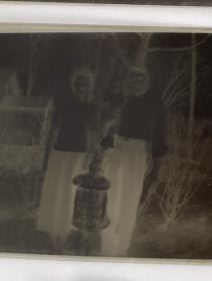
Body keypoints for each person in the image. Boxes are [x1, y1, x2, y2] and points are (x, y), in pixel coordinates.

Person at [101, 66, 166, 257]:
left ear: (147, 80)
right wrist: (104, 146)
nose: (136, 80)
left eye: (141, 77)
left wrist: (156, 162)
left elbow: (159, 135)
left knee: (129, 199)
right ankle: (106, 245)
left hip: (137, 153)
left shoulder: (156, 104)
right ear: (128, 80)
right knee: (111, 197)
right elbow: (109, 126)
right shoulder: (121, 100)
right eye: (133, 77)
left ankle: (122, 247)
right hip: (116, 149)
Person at [37, 67, 98, 252]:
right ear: (74, 85)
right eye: (79, 82)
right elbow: (54, 131)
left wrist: (91, 157)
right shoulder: (63, 104)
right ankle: (54, 236)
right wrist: (47, 155)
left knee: (72, 196)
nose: (82, 86)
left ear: (90, 86)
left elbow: (92, 135)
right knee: (57, 193)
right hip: (60, 154)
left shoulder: (91, 108)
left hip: (79, 156)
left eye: (85, 82)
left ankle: (66, 236)